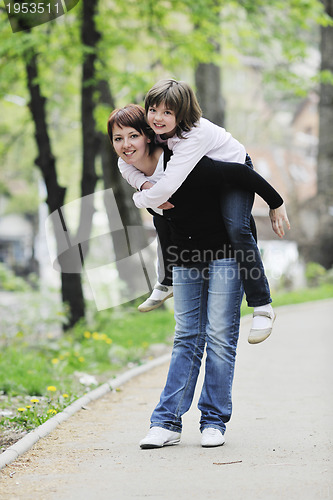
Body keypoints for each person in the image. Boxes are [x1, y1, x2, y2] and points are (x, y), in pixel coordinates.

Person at [107, 104, 288, 448]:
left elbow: (241, 174)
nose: (126, 144)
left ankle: (213, 420)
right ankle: (167, 422)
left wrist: (276, 202)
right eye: (118, 138)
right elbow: (165, 230)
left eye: (133, 136)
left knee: (219, 336)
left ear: (150, 137)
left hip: (225, 254)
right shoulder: (136, 174)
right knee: (186, 337)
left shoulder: (189, 163)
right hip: (187, 259)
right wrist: (168, 276)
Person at [115, 80, 290, 342]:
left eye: (167, 112)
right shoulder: (157, 131)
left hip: (235, 174)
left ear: (181, 114)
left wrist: (275, 202)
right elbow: (125, 163)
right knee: (162, 215)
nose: (158, 118)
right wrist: (145, 184)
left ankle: (262, 305)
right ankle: (167, 280)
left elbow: (168, 188)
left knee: (236, 228)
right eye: (153, 110)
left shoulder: (192, 138)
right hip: (208, 177)